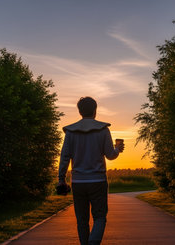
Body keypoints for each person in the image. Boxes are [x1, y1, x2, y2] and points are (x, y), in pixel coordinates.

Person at [58, 96, 125, 245]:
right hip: (98, 181)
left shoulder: (70, 131)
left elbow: (64, 157)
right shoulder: (103, 130)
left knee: (82, 220)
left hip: (78, 182)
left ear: (80, 111)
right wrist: (117, 149)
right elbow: (110, 155)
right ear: (95, 111)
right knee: (100, 217)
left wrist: (61, 179)